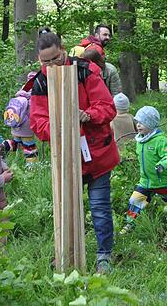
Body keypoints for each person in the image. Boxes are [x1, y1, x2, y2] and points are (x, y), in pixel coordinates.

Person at [28, 31, 120, 274]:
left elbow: (107, 108)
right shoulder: (40, 82)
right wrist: (59, 126)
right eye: (45, 61)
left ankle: (103, 256)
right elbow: (38, 123)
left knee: (99, 207)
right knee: (64, 205)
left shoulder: (84, 71)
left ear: (64, 50)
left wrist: (87, 115)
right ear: (39, 60)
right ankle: (65, 252)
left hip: (96, 153)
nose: (51, 65)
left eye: (55, 59)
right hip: (66, 157)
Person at [120, 106, 167, 235]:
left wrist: (162, 165)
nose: (138, 125)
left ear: (151, 124)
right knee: (135, 201)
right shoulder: (140, 140)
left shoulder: (160, 140)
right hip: (145, 181)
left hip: (162, 181)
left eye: (142, 123)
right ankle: (130, 223)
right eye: (137, 123)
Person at [2, 72, 39, 168]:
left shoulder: (22, 91)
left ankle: (4, 146)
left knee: (16, 142)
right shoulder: (34, 93)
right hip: (26, 127)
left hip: (15, 124)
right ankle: (32, 167)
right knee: (29, 146)